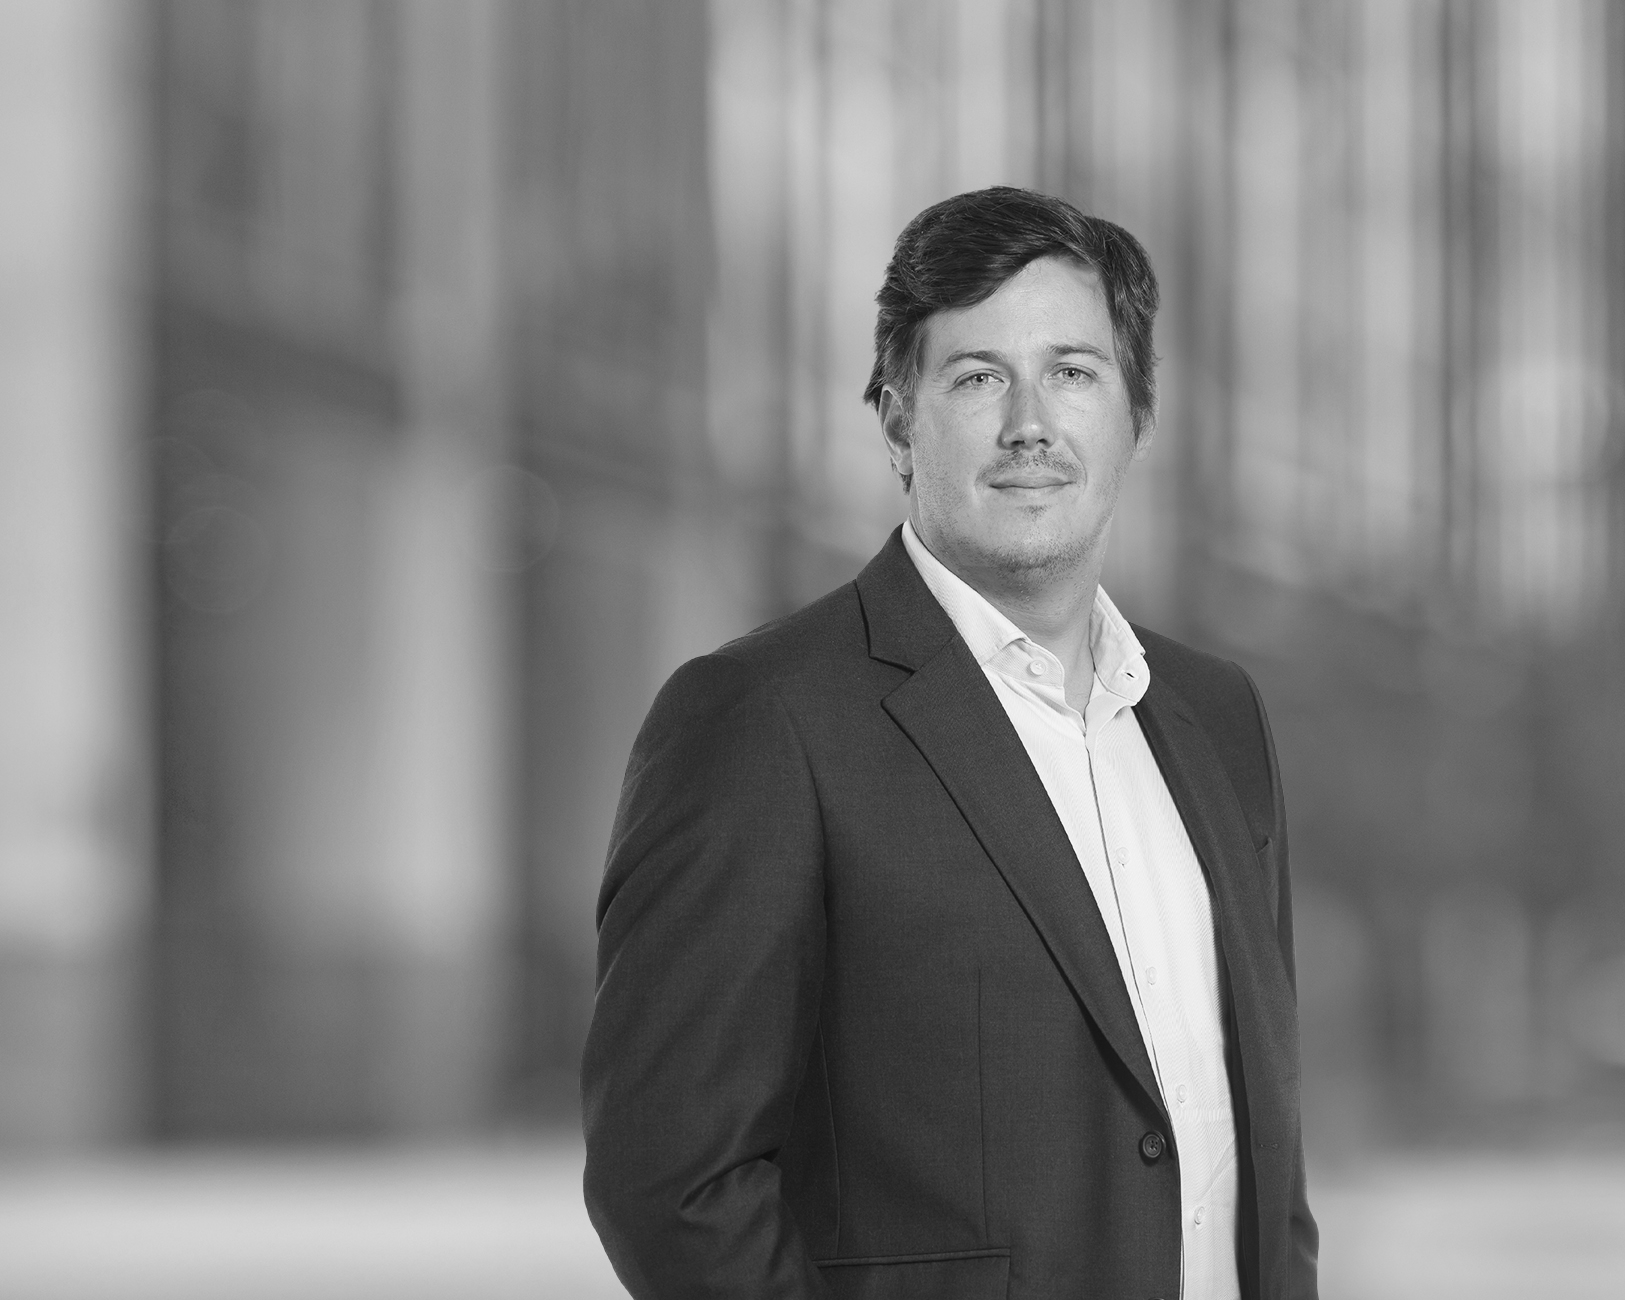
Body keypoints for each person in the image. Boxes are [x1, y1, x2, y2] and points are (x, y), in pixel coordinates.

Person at [582, 186, 1318, 1300]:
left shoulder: (1217, 717)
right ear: (896, 420)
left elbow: (1260, 1148)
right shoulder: (761, 719)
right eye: (976, 378)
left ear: (1136, 414)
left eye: (1073, 373)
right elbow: (669, 1180)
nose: (1030, 423)